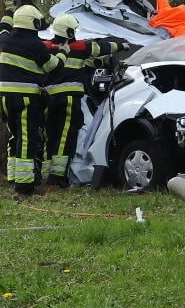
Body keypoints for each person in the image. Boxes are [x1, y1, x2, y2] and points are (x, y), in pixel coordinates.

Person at [42, 14, 131, 189]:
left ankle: (47, 173)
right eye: (73, 30)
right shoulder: (79, 47)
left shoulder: (45, 47)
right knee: (65, 137)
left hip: (48, 99)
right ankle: (57, 177)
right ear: (68, 31)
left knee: (50, 136)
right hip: (68, 99)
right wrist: (122, 45)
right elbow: (102, 47)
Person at [0, 4, 56, 196]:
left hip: (5, 96)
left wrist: (8, 12)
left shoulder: (5, 40)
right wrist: (62, 52)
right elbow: (51, 66)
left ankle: (14, 177)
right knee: (27, 138)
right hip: (26, 98)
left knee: (14, 136)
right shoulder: (35, 44)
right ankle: (24, 185)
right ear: (34, 22)